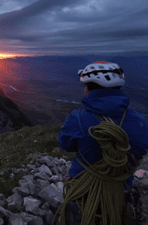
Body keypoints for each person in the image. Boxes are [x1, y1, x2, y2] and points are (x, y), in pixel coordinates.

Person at [56, 61, 148, 225]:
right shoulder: (141, 122)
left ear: (90, 88)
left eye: (85, 85)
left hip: (83, 194)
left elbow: (65, 144)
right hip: (121, 193)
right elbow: (140, 150)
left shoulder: (77, 119)